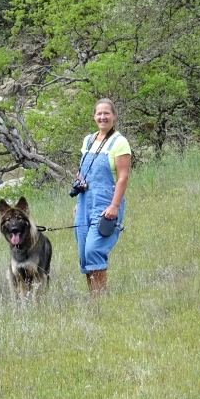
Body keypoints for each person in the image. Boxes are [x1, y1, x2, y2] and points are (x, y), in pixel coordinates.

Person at [72, 98, 131, 296]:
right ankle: (93, 299)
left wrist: (114, 206)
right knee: (83, 253)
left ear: (114, 115)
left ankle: (100, 300)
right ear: (94, 116)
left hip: (106, 204)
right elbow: (83, 172)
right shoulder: (88, 140)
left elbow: (123, 178)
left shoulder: (120, 142)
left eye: (107, 113)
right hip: (85, 203)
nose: (102, 117)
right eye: (99, 113)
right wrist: (78, 203)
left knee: (94, 249)